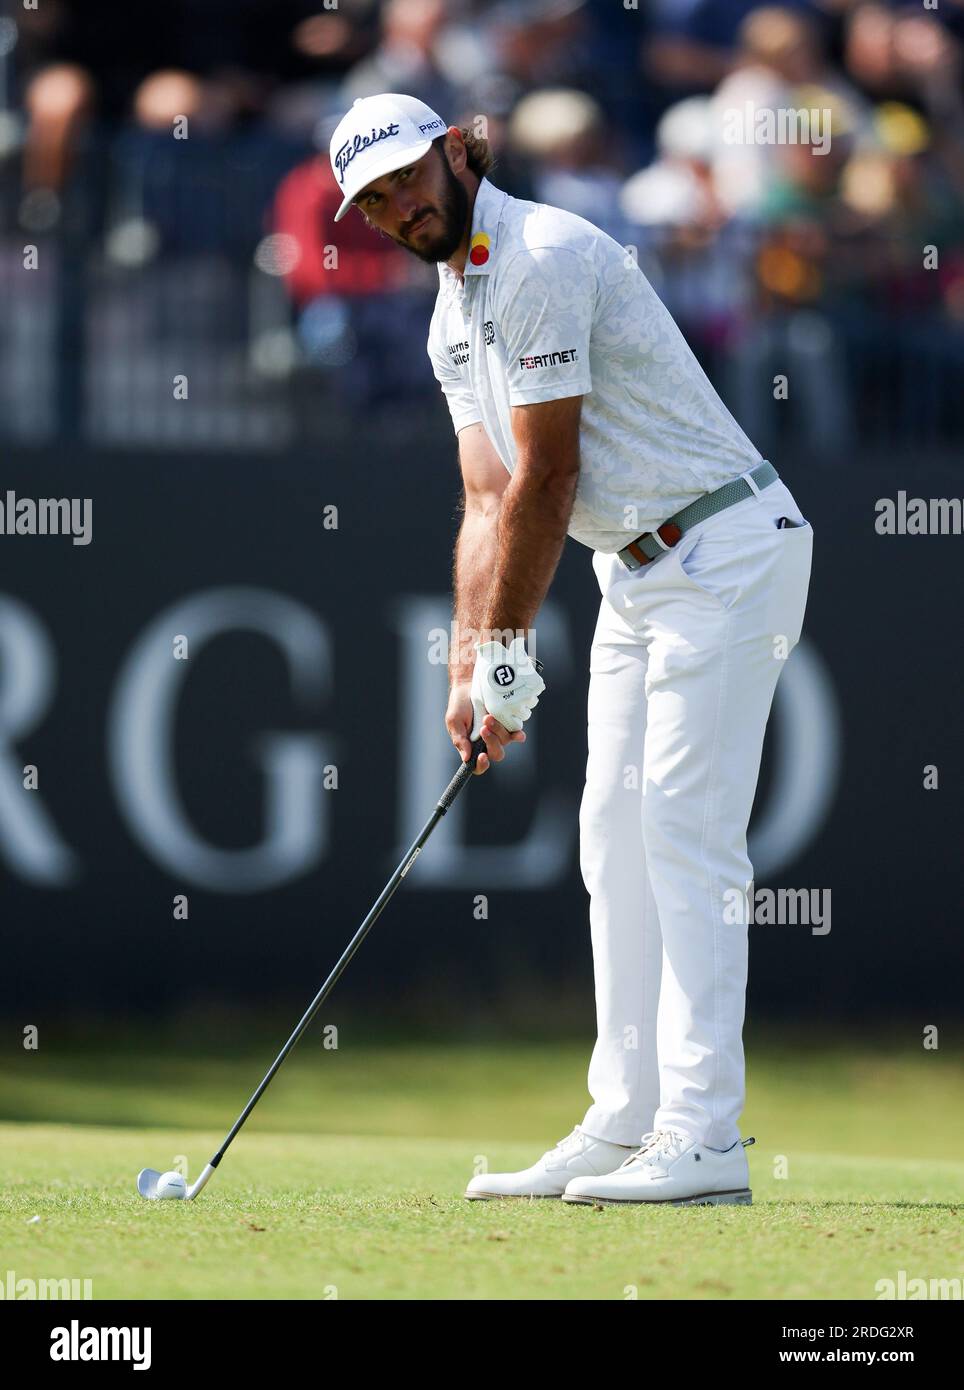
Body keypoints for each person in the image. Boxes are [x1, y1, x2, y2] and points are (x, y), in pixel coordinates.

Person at [327, 93, 814, 1206]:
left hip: (724, 548)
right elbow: (486, 492)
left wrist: (508, 651)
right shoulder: (453, 311)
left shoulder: (542, 250)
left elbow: (551, 477)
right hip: (638, 571)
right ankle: (625, 1117)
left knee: (685, 835)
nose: (399, 207)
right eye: (374, 201)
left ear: (456, 151)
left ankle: (706, 1137)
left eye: (407, 177)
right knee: (612, 838)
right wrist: (469, 664)